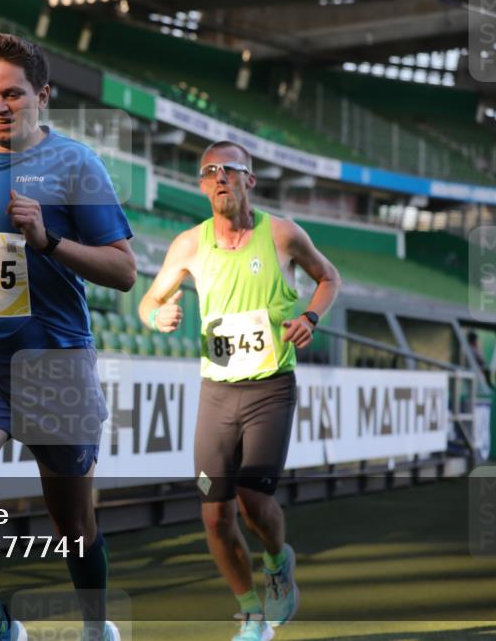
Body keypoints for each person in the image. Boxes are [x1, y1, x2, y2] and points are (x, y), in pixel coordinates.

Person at [0, 33, 136, 641]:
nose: (0, 106)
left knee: (73, 524)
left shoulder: (78, 164)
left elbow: (125, 271)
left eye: (13, 94)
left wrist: (49, 239)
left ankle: (97, 626)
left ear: (42, 96)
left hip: (55, 363)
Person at [138, 141, 341, 641]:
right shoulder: (189, 244)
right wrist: (157, 314)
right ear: (203, 187)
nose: (220, 177)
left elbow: (328, 277)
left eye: (230, 169)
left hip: (270, 388)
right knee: (213, 514)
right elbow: (148, 300)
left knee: (252, 501)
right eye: (210, 172)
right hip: (217, 393)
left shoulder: (282, 234)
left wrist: (311, 316)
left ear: (250, 180)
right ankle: (251, 613)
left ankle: (277, 559)